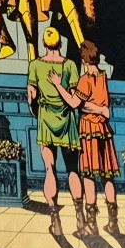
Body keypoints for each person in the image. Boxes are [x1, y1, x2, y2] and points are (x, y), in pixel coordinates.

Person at [52, 40, 119, 236]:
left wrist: (59, 86)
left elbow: (74, 103)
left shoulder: (85, 79)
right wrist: (100, 109)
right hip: (104, 129)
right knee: (107, 176)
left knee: (89, 175)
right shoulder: (103, 76)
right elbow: (97, 103)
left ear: (83, 60)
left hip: (89, 129)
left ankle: (91, 225)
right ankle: (113, 223)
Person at [29, 26, 84, 237]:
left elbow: (31, 98)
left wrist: (39, 112)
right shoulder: (70, 65)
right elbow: (74, 97)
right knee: (73, 170)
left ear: (44, 44)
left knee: (49, 169)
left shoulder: (35, 65)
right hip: (67, 120)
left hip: (46, 118)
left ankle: (55, 221)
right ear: (60, 43)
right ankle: (80, 217)